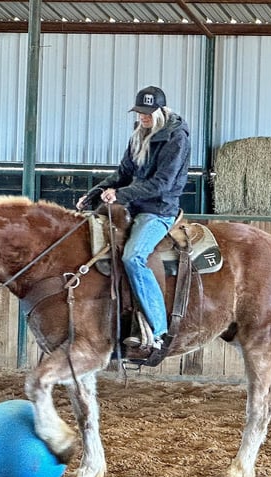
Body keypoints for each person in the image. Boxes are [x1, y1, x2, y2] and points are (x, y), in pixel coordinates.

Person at [76, 86, 191, 352]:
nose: (143, 117)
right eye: (140, 112)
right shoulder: (138, 136)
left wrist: (120, 194)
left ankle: (158, 328)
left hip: (159, 209)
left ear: (161, 112)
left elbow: (162, 183)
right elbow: (122, 173)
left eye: (148, 113)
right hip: (134, 205)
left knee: (133, 257)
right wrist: (93, 194)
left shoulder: (176, 138)